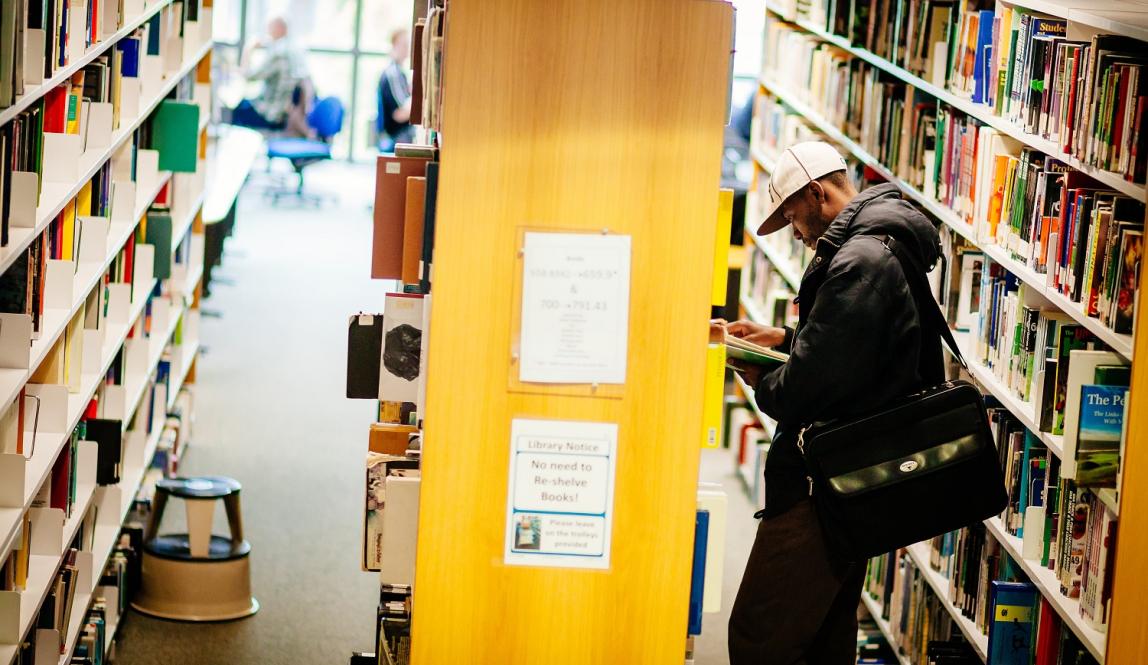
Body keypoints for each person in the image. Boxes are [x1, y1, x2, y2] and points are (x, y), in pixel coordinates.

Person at [724, 141, 942, 664]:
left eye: (793, 218)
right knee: (825, 637)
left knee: (759, 636)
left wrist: (760, 375)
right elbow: (853, 351)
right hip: (855, 478)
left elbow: (810, 388)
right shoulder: (883, 242)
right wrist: (785, 338)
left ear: (816, 193)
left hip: (822, 485)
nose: (796, 235)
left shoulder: (858, 261)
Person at [227, 17, 306, 130]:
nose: (267, 34)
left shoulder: (279, 52)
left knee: (237, 110)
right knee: (244, 103)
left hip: (271, 114)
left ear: (279, 29)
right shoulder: (293, 48)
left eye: (269, 29)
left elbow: (250, 76)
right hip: (282, 112)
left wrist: (248, 48)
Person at [377, 28, 415, 148]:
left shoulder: (400, 73)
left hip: (402, 134)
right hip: (397, 136)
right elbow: (400, 114)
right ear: (394, 45)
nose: (407, 49)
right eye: (404, 45)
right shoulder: (393, 74)